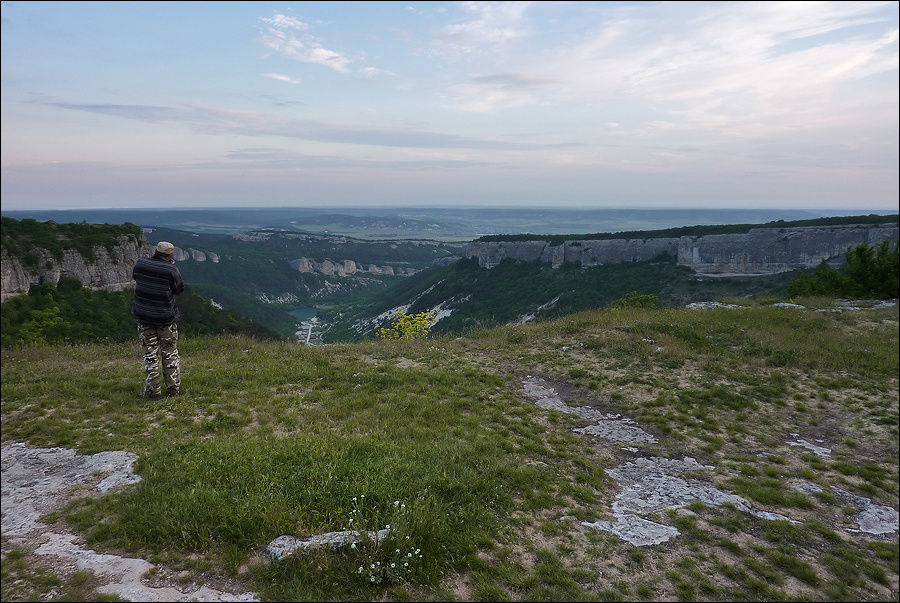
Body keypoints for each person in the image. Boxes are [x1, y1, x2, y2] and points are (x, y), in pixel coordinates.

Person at [132, 241, 185, 398]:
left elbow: (136, 276)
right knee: (169, 353)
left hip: (144, 316)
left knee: (150, 354)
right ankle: (173, 389)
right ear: (171, 255)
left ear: (155, 250)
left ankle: (153, 391)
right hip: (165, 318)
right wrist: (170, 267)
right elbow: (179, 289)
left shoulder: (141, 263)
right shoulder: (171, 269)